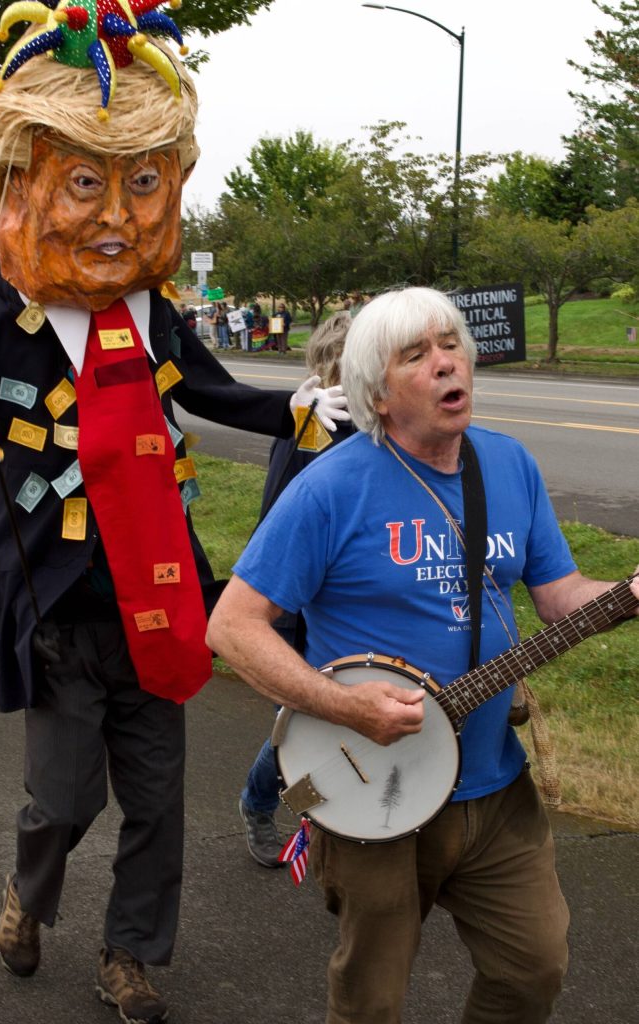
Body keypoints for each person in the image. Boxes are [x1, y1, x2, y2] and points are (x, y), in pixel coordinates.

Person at [0, 5, 349, 1023]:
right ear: (29, 180)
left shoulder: (157, 308)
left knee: (157, 799)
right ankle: (28, 891)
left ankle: (129, 955)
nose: (118, 217)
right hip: (56, 602)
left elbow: (218, 396)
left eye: (139, 185)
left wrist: (304, 410)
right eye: (87, 183)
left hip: (160, 593)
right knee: (64, 799)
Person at [207, 286, 639, 1024]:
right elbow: (232, 627)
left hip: (496, 788)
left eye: (451, 345)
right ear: (378, 392)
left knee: (534, 968)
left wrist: (627, 592)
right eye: (418, 355)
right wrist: (345, 706)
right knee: (373, 997)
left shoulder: (509, 465)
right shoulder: (331, 488)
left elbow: (561, 595)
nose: (447, 364)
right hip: (373, 792)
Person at [238, 311, 355, 868]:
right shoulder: (311, 424)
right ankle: (263, 802)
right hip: (299, 602)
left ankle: (326, 812)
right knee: (304, 720)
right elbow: (278, 522)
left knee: (343, 714)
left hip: (348, 599)